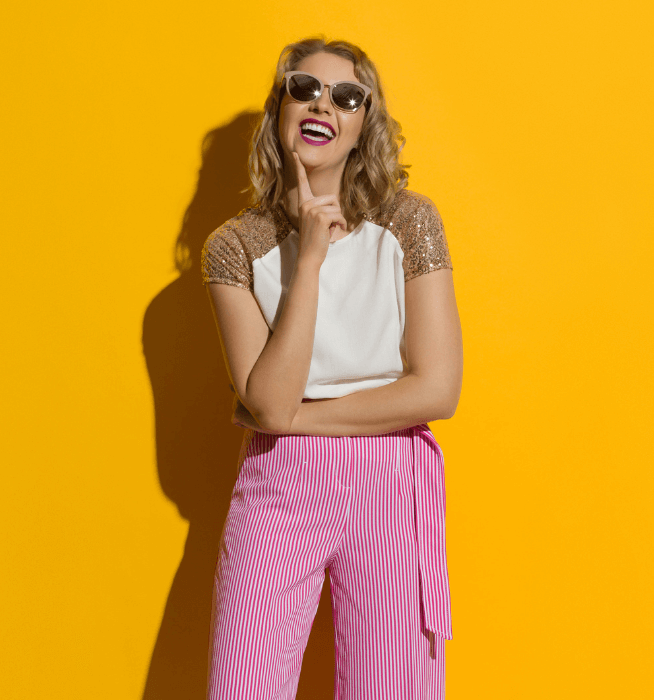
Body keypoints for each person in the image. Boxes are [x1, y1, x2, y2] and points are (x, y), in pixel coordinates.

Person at [201, 35, 463, 700]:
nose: (324, 104)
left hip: (389, 479)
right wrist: (310, 259)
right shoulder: (233, 248)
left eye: (348, 97)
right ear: (281, 108)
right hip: (277, 485)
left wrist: (293, 418)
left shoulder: (409, 223)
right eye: (305, 88)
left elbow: (438, 388)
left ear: (363, 125)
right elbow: (267, 405)